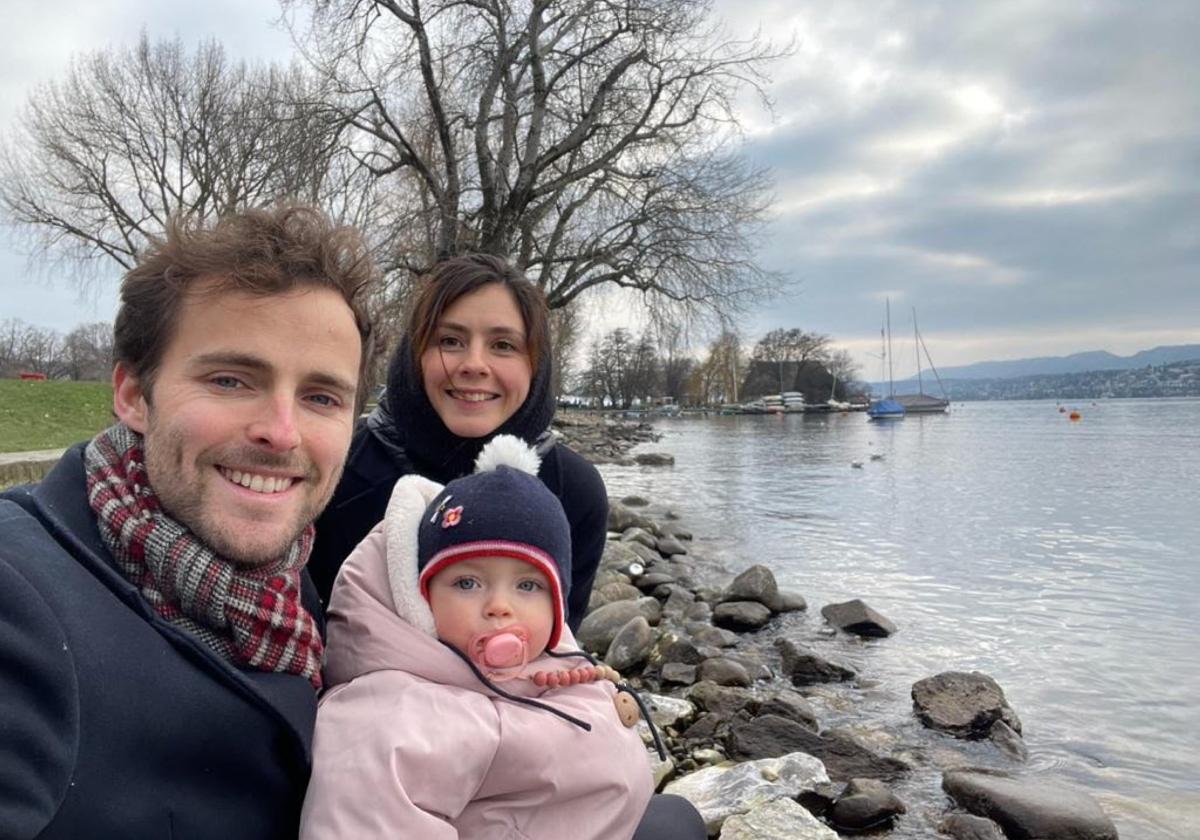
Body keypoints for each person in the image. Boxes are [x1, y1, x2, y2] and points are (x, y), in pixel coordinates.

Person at [0, 204, 374, 839]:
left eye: (320, 397)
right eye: (231, 380)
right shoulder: (19, 598)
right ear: (133, 395)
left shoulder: (291, 592)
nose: (281, 433)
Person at [299, 435, 657, 838]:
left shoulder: (554, 662)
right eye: (467, 582)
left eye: (528, 586)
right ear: (420, 597)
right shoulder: (392, 722)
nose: (499, 607)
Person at [308, 254, 608, 630]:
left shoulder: (574, 491)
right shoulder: (342, 465)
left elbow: (560, 643)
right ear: (415, 355)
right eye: (450, 340)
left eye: (503, 345)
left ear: (536, 364)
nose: (474, 364)